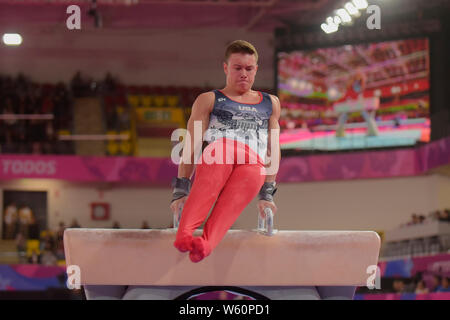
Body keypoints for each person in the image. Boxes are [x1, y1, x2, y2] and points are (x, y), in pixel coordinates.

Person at [169, 40, 280, 263]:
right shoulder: (209, 100)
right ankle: (185, 233)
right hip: (221, 151)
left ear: (256, 69)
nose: (243, 74)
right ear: (226, 68)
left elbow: (273, 148)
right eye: (237, 68)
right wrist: (181, 190)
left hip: (253, 162)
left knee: (231, 206)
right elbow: (191, 145)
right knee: (210, 180)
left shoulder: (271, 103)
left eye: (249, 69)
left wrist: (267, 193)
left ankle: (206, 245)